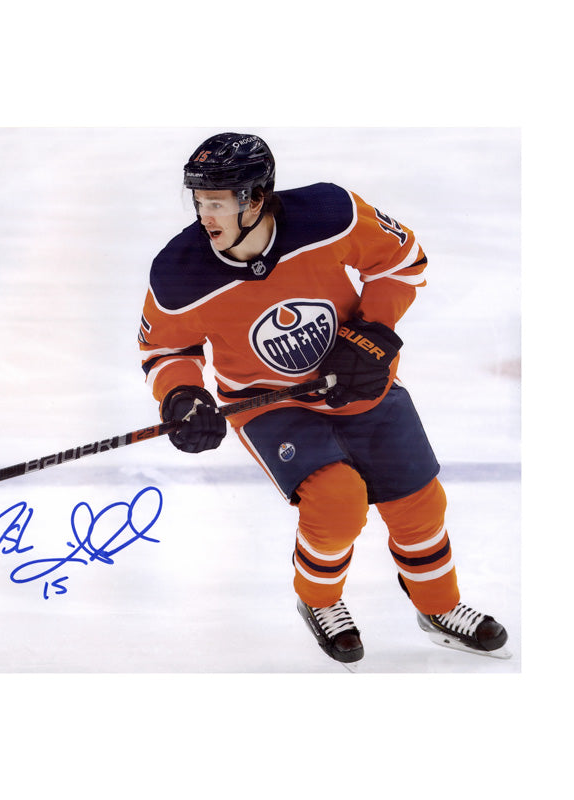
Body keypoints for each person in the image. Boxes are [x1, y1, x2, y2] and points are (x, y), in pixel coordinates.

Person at [138, 131, 510, 667]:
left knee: (420, 504)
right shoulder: (178, 271)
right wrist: (181, 397)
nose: (205, 217)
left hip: (358, 383)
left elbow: (402, 261)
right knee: (336, 501)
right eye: (198, 202)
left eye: (216, 203)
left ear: (255, 198)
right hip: (269, 404)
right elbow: (166, 349)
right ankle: (320, 601)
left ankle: (439, 607)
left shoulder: (331, 214)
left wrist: (372, 335)